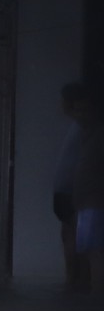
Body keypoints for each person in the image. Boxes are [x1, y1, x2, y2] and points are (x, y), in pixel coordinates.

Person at [70, 86, 104, 296]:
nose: (79, 115)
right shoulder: (86, 136)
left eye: (84, 110)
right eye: (77, 110)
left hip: (95, 203)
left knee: (95, 252)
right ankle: (93, 292)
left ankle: (97, 294)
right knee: (88, 252)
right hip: (86, 203)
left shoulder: (99, 136)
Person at [55, 82, 88, 290]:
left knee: (74, 235)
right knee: (69, 233)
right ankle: (73, 278)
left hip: (74, 189)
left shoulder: (85, 124)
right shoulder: (78, 125)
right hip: (67, 189)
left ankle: (75, 279)